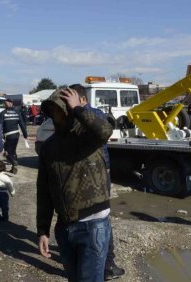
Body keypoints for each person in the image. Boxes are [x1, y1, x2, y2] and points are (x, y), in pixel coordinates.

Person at [37, 88, 113, 281]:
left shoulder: (87, 137)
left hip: (93, 225)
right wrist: (43, 230)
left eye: (60, 110)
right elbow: (44, 191)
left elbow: (105, 130)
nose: (56, 115)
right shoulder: (49, 147)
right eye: (52, 111)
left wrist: (78, 108)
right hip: (64, 228)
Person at [69, 84, 125, 280]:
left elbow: (103, 132)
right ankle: (101, 262)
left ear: (82, 99)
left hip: (99, 172)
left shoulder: (92, 114)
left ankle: (107, 265)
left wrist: (78, 110)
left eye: (73, 99)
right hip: (85, 175)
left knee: (101, 218)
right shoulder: (72, 117)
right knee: (96, 220)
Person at [0, 98, 28, 174]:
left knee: (7, 152)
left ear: (11, 103)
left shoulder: (2, 113)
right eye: (5, 103)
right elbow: (22, 124)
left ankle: (14, 162)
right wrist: (25, 134)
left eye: (6, 103)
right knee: (13, 151)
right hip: (16, 135)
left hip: (8, 136)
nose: (5, 105)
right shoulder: (17, 113)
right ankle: (13, 168)